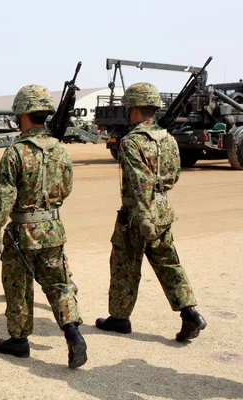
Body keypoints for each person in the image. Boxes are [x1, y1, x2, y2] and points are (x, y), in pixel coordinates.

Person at [95, 82, 206, 342]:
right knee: (168, 262)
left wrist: (143, 214)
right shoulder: (168, 138)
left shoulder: (131, 142)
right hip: (162, 208)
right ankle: (190, 312)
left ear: (133, 109)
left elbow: (138, 181)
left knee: (124, 264)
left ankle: (119, 318)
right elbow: (175, 175)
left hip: (137, 212)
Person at [0, 84, 87, 369]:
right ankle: (73, 333)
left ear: (22, 114)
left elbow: (2, 198)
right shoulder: (61, 150)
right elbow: (66, 189)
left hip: (23, 232)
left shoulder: (15, 153)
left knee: (18, 287)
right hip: (53, 228)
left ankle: (18, 341)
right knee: (59, 283)